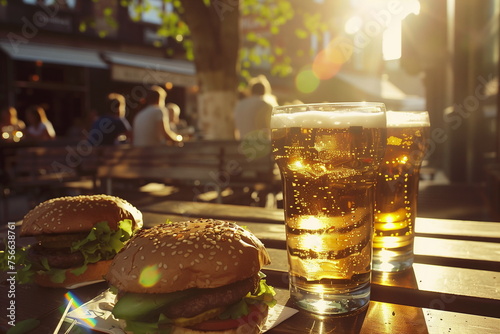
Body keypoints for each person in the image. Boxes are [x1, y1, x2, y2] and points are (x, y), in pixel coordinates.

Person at [233, 75, 277, 141]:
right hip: (261, 146)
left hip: (242, 144)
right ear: (264, 91)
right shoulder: (265, 104)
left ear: (251, 90)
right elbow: (272, 128)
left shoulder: (239, 104)